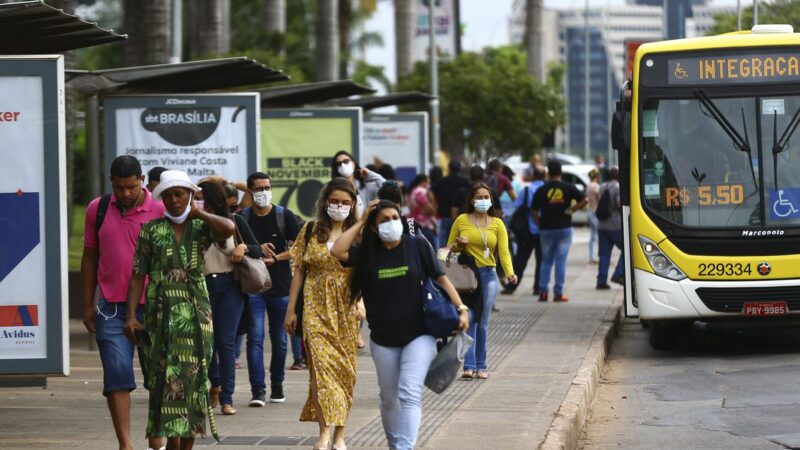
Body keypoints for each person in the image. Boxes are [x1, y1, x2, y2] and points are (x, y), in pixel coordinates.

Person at [331, 200, 469, 450]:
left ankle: (404, 447)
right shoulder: (367, 254)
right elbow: (337, 251)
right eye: (384, 220)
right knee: (388, 399)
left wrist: (461, 308)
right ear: (374, 228)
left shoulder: (417, 245)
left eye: (395, 217)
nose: (392, 223)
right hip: (383, 338)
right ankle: (396, 444)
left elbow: (441, 277)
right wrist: (361, 220)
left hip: (419, 334)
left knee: (409, 393)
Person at [124, 170, 235, 449]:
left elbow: (228, 229)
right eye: (169, 195)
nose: (174, 200)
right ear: (162, 198)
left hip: (196, 311)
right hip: (159, 312)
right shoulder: (151, 229)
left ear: (189, 196)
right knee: (163, 379)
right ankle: (168, 442)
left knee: (193, 378)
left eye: (180, 194)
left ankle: (186, 445)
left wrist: (200, 213)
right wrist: (130, 317)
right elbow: (138, 274)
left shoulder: (201, 227)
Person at [81, 155, 165, 450]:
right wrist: (87, 304)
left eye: (131, 186)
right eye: (119, 188)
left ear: (142, 180)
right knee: (117, 375)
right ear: (111, 183)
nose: (126, 194)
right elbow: (90, 257)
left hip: (154, 306)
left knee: (158, 373)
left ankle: (156, 430)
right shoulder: (98, 208)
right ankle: (125, 444)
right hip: (111, 308)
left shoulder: (161, 208)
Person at [284, 178, 362, 450]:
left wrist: (362, 302)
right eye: (335, 201)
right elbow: (299, 271)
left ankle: (340, 434)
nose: (339, 206)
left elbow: (366, 273)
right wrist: (291, 309)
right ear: (325, 202)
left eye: (345, 202)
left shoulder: (359, 234)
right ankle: (324, 432)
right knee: (320, 371)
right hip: (315, 307)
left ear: (353, 205)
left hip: (346, 311)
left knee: (344, 372)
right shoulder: (309, 230)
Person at [199, 181, 262, 416]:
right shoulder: (194, 223)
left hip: (229, 286)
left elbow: (257, 249)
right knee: (206, 343)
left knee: (225, 342)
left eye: (202, 198)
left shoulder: (235, 221)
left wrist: (243, 248)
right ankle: (214, 383)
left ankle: (227, 397)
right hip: (201, 285)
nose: (197, 203)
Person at [239, 171, 301, 406]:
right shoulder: (242, 217)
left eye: (267, 188)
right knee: (254, 338)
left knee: (280, 340)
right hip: (253, 287)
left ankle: (277, 385)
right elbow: (235, 246)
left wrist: (277, 259)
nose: (264, 192)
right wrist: (252, 249)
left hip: (281, 287)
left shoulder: (284, 216)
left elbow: (299, 248)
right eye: (259, 188)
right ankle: (258, 391)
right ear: (250, 191)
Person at [448, 183, 517, 379]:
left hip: (488, 275)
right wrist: (459, 246)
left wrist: (510, 273)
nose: (483, 201)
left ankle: (481, 365)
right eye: (480, 197)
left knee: (482, 320)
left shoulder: (497, 223)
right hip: (468, 277)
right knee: (470, 320)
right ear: (472, 200)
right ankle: (468, 366)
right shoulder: (461, 220)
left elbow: (503, 251)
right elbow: (446, 252)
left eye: (487, 197)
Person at [532, 160, 589, 302]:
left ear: (548, 173)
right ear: (561, 172)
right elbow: (585, 200)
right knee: (560, 261)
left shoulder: (542, 189)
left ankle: (543, 292)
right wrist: (572, 210)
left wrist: (539, 223)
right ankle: (558, 293)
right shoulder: (568, 187)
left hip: (546, 229)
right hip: (564, 228)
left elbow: (533, 209)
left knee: (545, 260)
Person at [503, 164, 546, 296]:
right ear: (544, 176)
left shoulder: (526, 190)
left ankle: (511, 286)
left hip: (527, 231)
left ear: (533, 176)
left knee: (521, 259)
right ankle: (538, 287)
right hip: (543, 231)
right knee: (542, 260)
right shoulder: (546, 190)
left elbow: (517, 205)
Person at [331, 150, 385, 217]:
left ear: (353, 164)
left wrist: (370, 174)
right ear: (336, 168)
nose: (343, 165)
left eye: (346, 161)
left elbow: (389, 188)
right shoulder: (333, 189)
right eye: (339, 164)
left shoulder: (366, 187)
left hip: (366, 226)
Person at [596, 166, 625, 289]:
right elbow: (618, 204)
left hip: (602, 225)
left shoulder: (602, 186)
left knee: (604, 254)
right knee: (628, 249)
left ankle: (601, 281)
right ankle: (618, 274)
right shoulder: (617, 187)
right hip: (615, 225)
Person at [431, 160, 469, 246]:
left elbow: (430, 191)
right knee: (458, 243)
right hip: (460, 217)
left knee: (444, 242)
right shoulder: (465, 182)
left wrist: (435, 205)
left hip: (445, 216)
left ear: (449, 169)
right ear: (459, 169)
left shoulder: (442, 181)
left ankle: (444, 259)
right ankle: (455, 259)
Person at [407, 174, 438, 248]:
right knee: (430, 252)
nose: (428, 184)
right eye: (428, 182)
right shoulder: (421, 192)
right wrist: (432, 201)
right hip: (425, 226)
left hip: (415, 224)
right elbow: (430, 210)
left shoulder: (413, 191)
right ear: (423, 182)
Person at [587, 168, 601, 264]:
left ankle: (592, 256)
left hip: (589, 211)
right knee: (597, 235)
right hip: (596, 211)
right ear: (597, 176)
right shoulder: (596, 186)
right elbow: (599, 197)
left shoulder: (588, 185)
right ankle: (597, 257)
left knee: (592, 235)